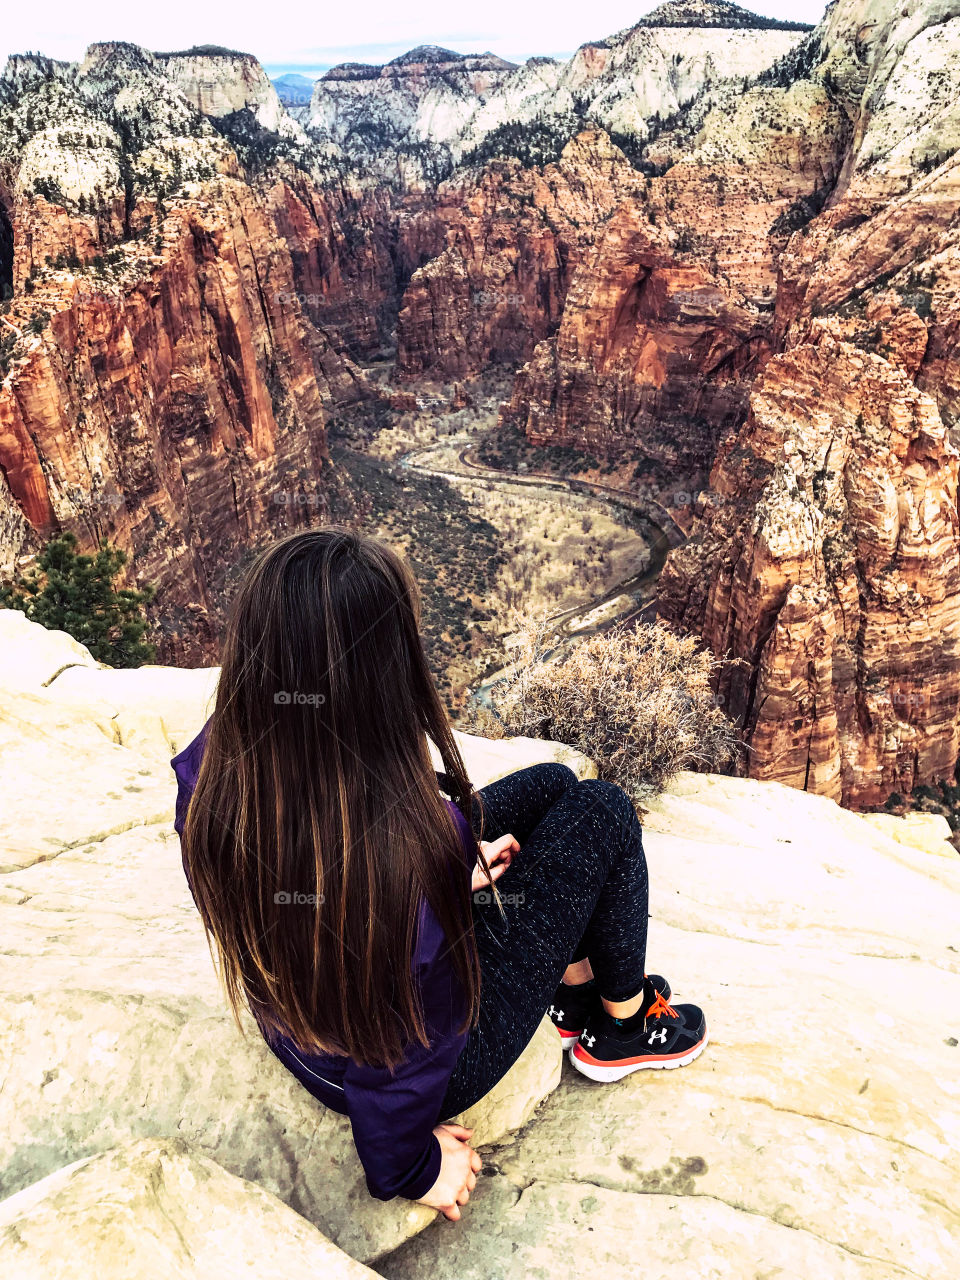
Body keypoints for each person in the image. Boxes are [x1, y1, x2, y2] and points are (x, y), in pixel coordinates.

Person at [171, 529, 707, 1222]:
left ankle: (574, 997)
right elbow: (397, 1053)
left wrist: (452, 873)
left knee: (550, 785)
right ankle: (620, 1030)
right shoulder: (404, 859)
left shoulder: (212, 768)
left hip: (299, 1022)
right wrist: (412, 1166)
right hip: (400, 1060)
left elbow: (313, 899)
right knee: (601, 810)